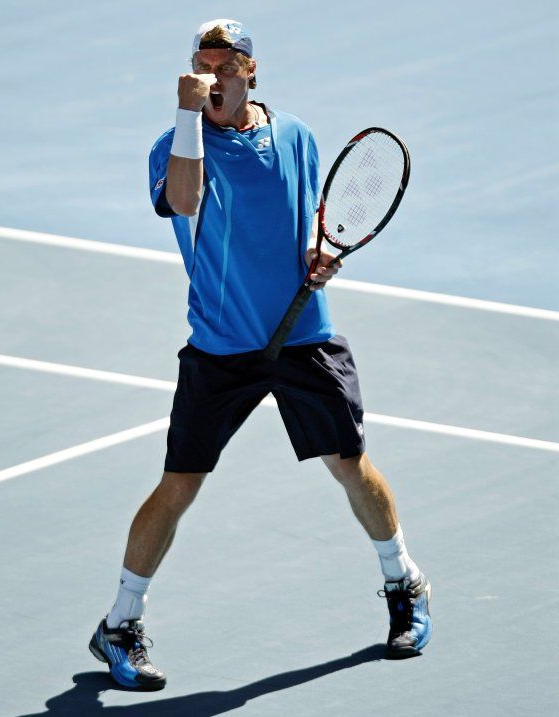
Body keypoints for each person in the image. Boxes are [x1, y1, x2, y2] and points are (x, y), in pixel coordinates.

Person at [89, 19, 432, 691]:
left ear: (252, 72)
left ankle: (406, 582)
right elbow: (183, 200)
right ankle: (119, 623)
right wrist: (190, 116)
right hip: (222, 346)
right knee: (180, 483)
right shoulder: (175, 146)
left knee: (350, 465)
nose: (212, 76)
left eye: (225, 65)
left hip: (305, 333)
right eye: (201, 64)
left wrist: (320, 254)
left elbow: (308, 219)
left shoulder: (296, 136)